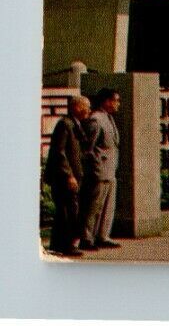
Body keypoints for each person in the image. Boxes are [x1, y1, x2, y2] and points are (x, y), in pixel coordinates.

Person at [45, 94, 90, 257]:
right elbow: (59, 152)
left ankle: (61, 244)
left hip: (72, 177)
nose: (88, 111)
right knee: (67, 211)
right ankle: (64, 245)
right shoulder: (65, 124)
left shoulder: (74, 124)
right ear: (77, 107)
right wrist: (68, 175)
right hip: (63, 178)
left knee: (68, 211)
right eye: (87, 107)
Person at [79, 89, 121, 251]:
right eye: (115, 100)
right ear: (106, 101)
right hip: (99, 170)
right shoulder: (96, 120)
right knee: (93, 206)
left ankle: (102, 235)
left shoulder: (108, 118)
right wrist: (95, 165)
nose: (117, 104)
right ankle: (86, 237)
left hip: (110, 169)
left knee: (107, 206)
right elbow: (88, 148)